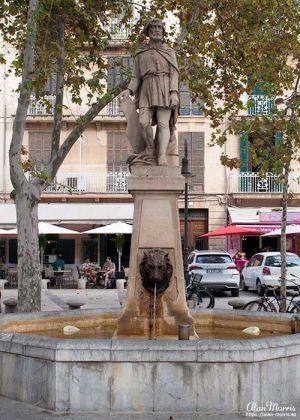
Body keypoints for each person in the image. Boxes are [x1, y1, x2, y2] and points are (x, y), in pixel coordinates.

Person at [121, 18, 179, 166]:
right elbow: (135, 76)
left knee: (163, 123)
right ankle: (150, 149)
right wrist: (129, 90)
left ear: (163, 32)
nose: (157, 30)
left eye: (159, 27)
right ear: (148, 31)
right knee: (143, 122)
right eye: (153, 27)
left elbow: (174, 73)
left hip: (164, 86)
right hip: (146, 87)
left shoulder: (169, 51)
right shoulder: (141, 53)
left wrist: (174, 92)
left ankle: (161, 156)